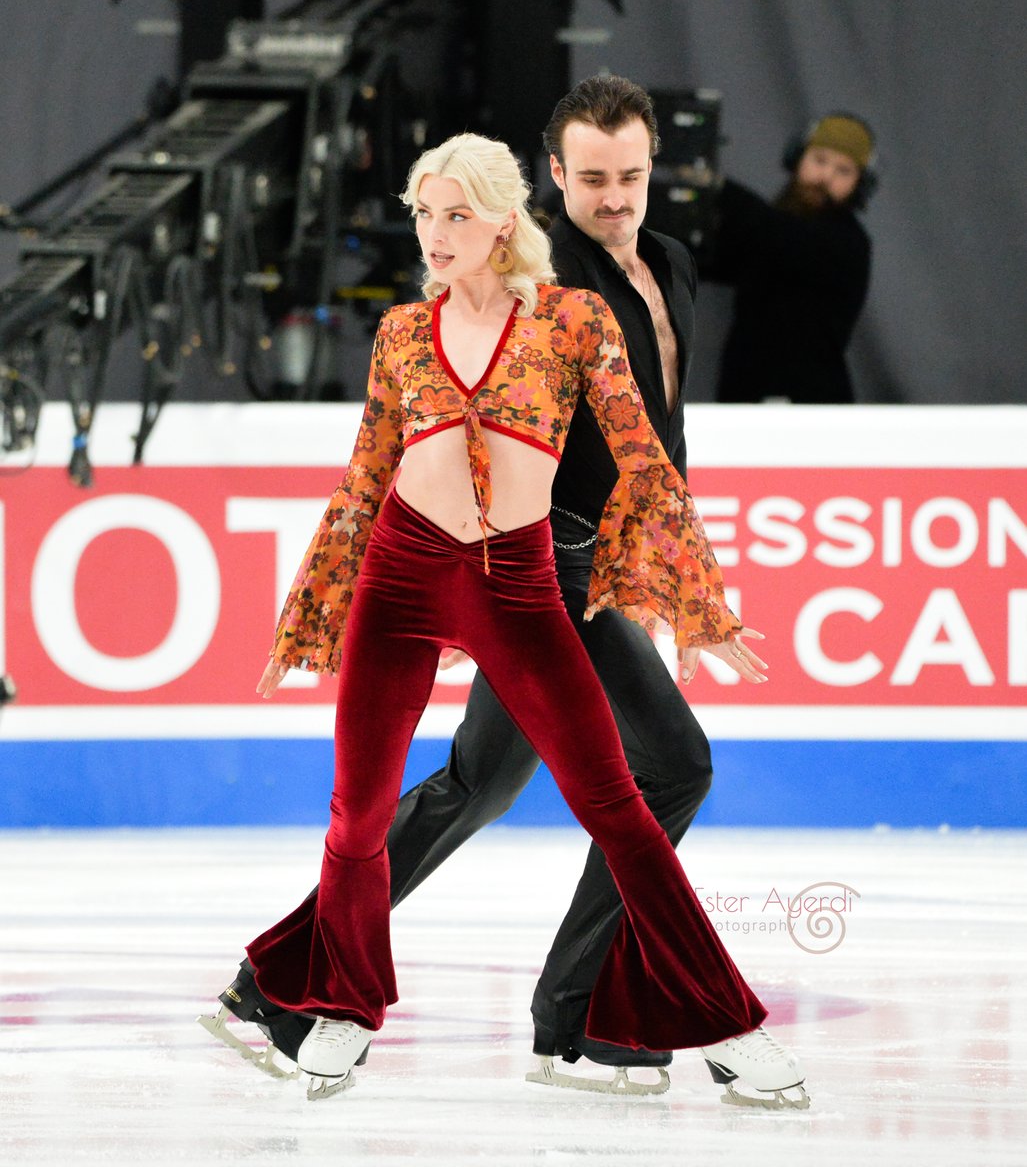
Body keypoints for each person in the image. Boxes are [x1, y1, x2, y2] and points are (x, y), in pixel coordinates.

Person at [204, 75, 790, 1101]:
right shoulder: (532, 279)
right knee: (667, 766)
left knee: (487, 783)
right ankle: (575, 1023)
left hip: (583, 567)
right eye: (592, 179)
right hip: (532, 565)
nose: (614, 198)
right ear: (552, 180)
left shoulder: (670, 266)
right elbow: (404, 457)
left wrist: (666, 569)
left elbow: (655, 443)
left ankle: (281, 981)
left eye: (632, 177)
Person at [707, 112, 876, 404]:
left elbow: (783, 237)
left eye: (843, 171)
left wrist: (713, 185)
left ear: (859, 183)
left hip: (813, 408)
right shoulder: (767, 230)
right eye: (820, 160)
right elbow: (714, 261)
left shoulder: (849, 243)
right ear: (798, 159)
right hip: (743, 398)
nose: (825, 178)